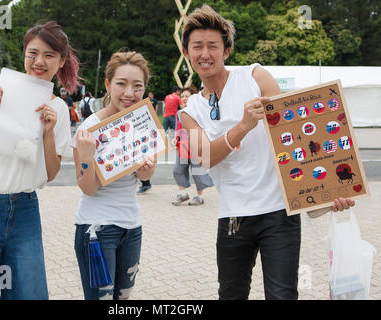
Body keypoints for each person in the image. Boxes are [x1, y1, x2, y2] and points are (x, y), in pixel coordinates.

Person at [179, 5, 355, 300]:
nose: (205, 53)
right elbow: (206, 158)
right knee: (231, 294)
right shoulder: (190, 110)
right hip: (234, 216)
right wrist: (244, 125)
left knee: (283, 294)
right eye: (198, 46)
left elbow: (298, 135)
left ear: (227, 51)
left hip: (279, 213)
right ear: (187, 53)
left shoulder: (255, 77)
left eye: (213, 46)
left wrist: (327, 191)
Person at [0, 21, 78, 300]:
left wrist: (47, 133)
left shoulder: (57, 108)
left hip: (24, 209)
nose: (39, 62)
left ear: (61, 60)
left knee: (30, 293)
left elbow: (52, 172)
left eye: (49, 55)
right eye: (33, 53)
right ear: (23, 53)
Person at [72, 50, 155, 300]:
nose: (129, 93)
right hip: (97, 230)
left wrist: (146, 170)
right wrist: (87, 156)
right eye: (121, 84)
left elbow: (146, 174)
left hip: (132, 227)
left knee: (123, 299)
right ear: (108, 84)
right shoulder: (89, 129)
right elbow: (88, 188)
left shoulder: (143, 122)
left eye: (137, 86)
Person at [172, 86, 214, 206]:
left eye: (187, 96)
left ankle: (199, 196)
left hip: (196, 144)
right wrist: (176, 137)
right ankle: (183, 193)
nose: (184, 98)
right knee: (178, 169)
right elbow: (177, 127)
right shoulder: (179, 112)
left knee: (198, 171)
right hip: (183, 145)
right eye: (182, 96)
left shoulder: (198, 111)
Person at [137, 91, 158, 194]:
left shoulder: (143, 109)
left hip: (144, 139)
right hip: (140, 138)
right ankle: (145, 184)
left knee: (142, 162)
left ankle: (146, 184)